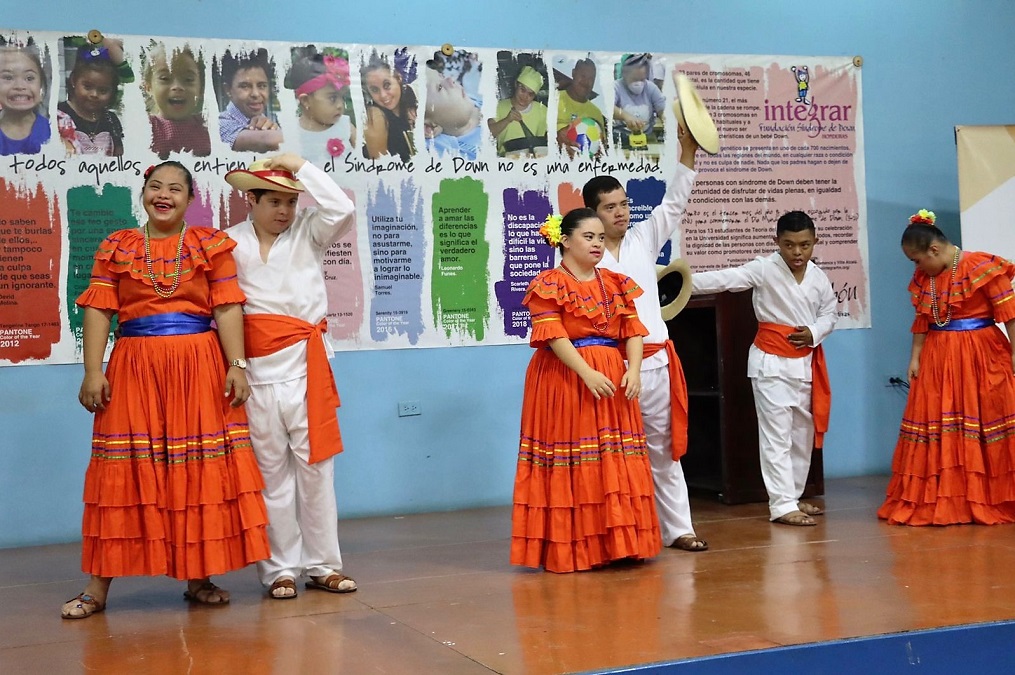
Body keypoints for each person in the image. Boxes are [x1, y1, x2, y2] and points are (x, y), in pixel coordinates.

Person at [61, 161, 270, 619]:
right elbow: (98, 311)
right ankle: (97, 589)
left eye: (175, 188)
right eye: (155, 186)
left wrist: (237, 365)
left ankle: (199, 578)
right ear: (143, 193)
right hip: (134, 367)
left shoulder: (208, 244)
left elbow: (228, 306)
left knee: (196, 470)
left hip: (199, 366)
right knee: (122, 473)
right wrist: (92, 371)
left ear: (189, 199)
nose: (164, 194)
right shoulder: (117, 245)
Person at [224, 153, 358, 598]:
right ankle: (278, 569)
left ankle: (323, 565)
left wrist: (298, 166)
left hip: (305, 368)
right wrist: (235, 365)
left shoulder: (309, 232)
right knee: (270, 474)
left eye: (290, 201)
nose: (284, 210)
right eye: (274, 201)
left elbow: (342, 208)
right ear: (251, 199)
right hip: (255, 372)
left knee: (316, 470)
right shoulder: (229, 244)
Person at [511, 208, 661, 573]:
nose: (597, 243)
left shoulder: (614, 282)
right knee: (576, 458)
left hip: (612, 378)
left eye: (600, 237)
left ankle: (621, 545)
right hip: (566, 378)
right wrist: (586, 373)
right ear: (565, 239)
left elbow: (633, 330)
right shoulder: (549, 282)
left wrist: (636, 370)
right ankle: (578, 549)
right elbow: (554, 335)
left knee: (615, 459)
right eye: (588, 237)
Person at [586, 124, 708, 551]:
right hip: (610, 369)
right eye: (609, 207)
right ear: (590, 215)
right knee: (614, 455)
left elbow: (676, 202)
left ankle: (680, 530)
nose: (620, 213)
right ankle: (622, 535)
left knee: (664, 451)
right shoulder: (585, 259)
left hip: (656, 364)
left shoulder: (644, 238)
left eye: (623, 204)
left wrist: (687, 151)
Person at [691, 211, 837, 526]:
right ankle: (782, 504)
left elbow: (830, 313)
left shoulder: (818, 276)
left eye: (804, 245)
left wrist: (813, 332)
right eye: (789, 245)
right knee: (777, 436)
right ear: (777, 243)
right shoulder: (764, 269)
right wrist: (677, 281)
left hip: (804, 365)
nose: (797, 252)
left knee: (801, 434)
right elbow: (723, 279)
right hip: (770, 366)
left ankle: (794, 496)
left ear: (815, 242)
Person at [879, 209, 1015, 526]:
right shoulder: (927, 278)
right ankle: (948, 498)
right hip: (939, 356)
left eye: (917, 259)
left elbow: (1009, 316)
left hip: (981, 354)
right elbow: (923, 321)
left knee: (985, 418)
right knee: (939, 420)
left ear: (934, 250)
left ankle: (987, 497)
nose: (916, 266)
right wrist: (915, 357)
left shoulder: (981, 267)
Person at [57, 39, 130, 156]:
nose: (94, 94)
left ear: (112, 91)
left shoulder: (111, 120)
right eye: (87, 86)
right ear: (73, 80)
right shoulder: (59, 116)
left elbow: (120, 156)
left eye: (103, 90)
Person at [284, 50, 356, 165]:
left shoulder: (346, 127)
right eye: (332, 98)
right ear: (306, 101)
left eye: (342, 97)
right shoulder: (291, 133)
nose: (340, 105)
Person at [145, 43, 211, 158]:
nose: (177, 86)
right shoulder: (145, 128)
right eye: (165, 78)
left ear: (201, 89)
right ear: (148, 87)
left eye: (188, 79)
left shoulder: (210, 127)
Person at [218, 51, 283, 152]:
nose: (256, 94)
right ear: (228, 90)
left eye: (262, 86)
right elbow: (267, 141)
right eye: (245, 86)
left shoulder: (271, 120)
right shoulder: (221, 124)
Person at [361, 52, 416, 162]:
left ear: (398, 78)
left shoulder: (414, 96)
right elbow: (379, 165)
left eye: (387, 85)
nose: (383, 95)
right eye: (375, 90)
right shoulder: (375, 115)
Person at [0, 42, 51, 155]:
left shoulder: (55, 132)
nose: (19, 86)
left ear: (41, 87)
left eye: (29, 78)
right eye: (8, 77)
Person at [487, 65, 548, 158]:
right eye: (522, 90)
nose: (525, 96)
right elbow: (488, 134)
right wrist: (507, 120)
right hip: (506, 160)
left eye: (530, 94)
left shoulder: (542, 110)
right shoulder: (498, 107)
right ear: (516, 84)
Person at [423, 66, 482, 160]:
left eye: (441, 75)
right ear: (429, 129)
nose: (450, 79)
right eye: (440, 87)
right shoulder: (458, 155)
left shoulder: (475, 97)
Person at [612, 53, 665, 153]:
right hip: (621, 139)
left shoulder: (651, 88)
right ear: (624, 74)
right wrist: (626, 116)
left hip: (647, 137)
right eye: (634, 79)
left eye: (642, 79)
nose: (638, 83)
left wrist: (668, 124)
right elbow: (608, 108)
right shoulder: (616, 87)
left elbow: (662, 109)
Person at [555, 58, 605, 158]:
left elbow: (602, 148)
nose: (586, 82)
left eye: (591, 79)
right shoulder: (554, 100)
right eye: (583, 76)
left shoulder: (596, 113)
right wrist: (556, 138)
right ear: (573, 73)